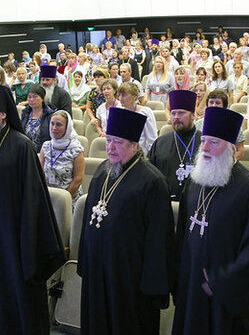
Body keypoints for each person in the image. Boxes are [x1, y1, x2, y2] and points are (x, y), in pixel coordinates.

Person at [0, 83, 65, 334]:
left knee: (21, 297)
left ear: (3, 113)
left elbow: (34, 199)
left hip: (16, 239)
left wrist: (28, 242)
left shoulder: (21, 146)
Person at [173, 106, 249, 334]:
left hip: (225, 297)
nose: (205, 148)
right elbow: (182, 239)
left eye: (214, 143)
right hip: (191, 287)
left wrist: (221, 283)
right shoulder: (194, 182)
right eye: (204, 141)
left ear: (231, 149)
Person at [78, 107, 174, 334]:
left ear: (134, 144)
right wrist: (86, 260)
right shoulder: (103, 171)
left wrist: (153, 288)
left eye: (117, 142)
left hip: (129, 279)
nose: (109, 147)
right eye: (108, 140)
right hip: (97, 271)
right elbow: (89, 220)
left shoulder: (153, 182)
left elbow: (159, 241)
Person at [149, 90, 200, 202]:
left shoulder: (204, 143)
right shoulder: (160, 143)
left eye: (181, 113)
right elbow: (150, 177)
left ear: (193, 115)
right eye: (173, 113)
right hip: (164, 204)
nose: (176, 117)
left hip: (195, 205)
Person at [39, 110, 85, 201]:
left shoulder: (76, 150)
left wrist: (63, 199)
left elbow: (78, 179)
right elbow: (40, 174)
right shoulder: (46, 146)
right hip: (47, 196)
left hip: (69, 198)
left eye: (59, 125)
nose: (54, 128)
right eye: (52, 123)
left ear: (67, 128)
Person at [117, 82, 157, 154]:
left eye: (124, 95)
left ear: (134, 96)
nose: (120, 98)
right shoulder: (119, 112)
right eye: (119, 95)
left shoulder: (145, 112)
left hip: (140, 154)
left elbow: (152, 140)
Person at [20, 84, 54, 151]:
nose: (31, 100)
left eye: (35, 97)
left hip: (43, 151)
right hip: (25, 151)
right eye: (29, 97)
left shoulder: (49, 115)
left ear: (42, 98)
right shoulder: (25, 113)